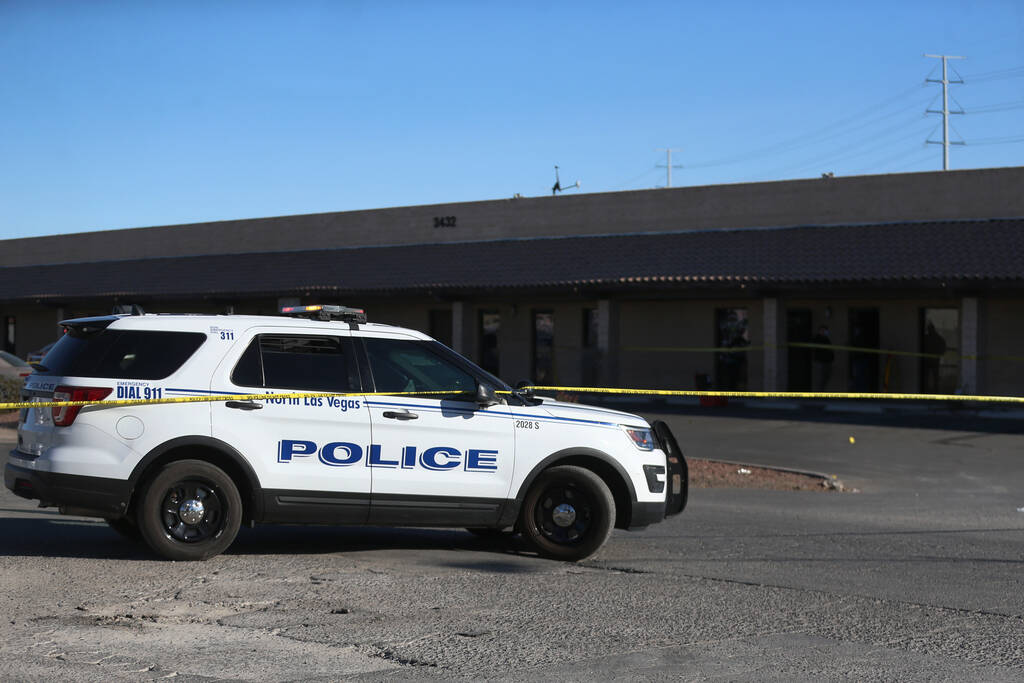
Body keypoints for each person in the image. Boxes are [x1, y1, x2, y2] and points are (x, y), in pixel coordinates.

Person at [812, 325, 834, 391]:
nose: (824, 332)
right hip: (820, 361)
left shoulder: (827, 339)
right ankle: (818, 394)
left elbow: (830, 350)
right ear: (819, 331)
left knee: (826, 377)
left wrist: (832, 358)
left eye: (825, 331)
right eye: (822, 330)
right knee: (820, 378)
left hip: (828, 361)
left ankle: (822, 393)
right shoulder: (817, 338)